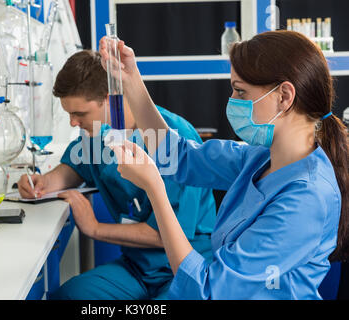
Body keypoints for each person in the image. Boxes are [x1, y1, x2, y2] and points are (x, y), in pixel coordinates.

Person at [101, 30, 349, 299]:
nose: (232, 101)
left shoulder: (306, 197)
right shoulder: (260, 157)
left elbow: (208, 291)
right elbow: (178, 156)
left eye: (241, 91)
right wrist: (130, 79)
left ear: (284, 96)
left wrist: (155, 189)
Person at [17, 50, 217, 299]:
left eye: (80, 114)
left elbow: (163, 234)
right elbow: (73, 169)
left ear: (110, 98)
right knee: (69, 296)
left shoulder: (172, 137)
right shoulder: (97, 135)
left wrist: (95, 228)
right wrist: (43, 183)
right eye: (69, 114)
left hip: (185, 268)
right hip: (138, 269)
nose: (73, 123)